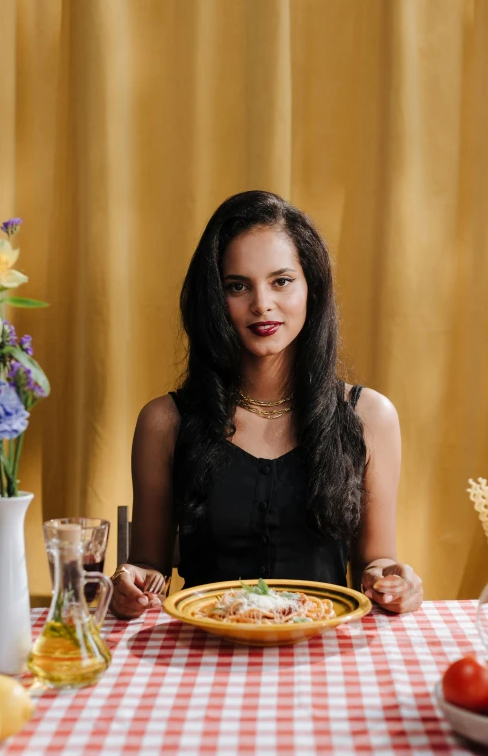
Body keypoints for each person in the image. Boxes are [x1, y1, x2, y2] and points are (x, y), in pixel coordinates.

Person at [110, 190, 423, 619]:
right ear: (213, 300)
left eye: (281, 281)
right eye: (237, 286)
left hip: (321, 657)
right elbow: (149, 567)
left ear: (312, 287)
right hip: (204, 659)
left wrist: (395, 580)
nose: (262, 304)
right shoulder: (164, 422)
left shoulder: (370, 417)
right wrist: (128, 581)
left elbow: (375, 562)